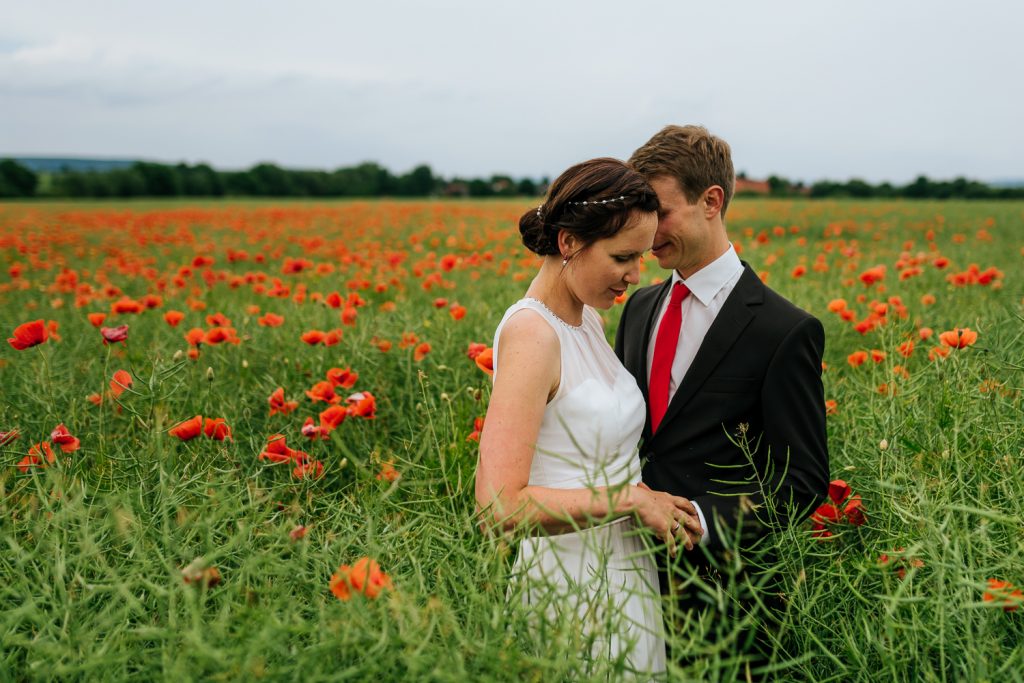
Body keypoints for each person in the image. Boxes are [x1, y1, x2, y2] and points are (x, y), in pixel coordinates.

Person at [475, 157, 702, 677]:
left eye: (642, 256)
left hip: (625, 570)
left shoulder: (588, 322)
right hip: (569, 583)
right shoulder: (534, 334)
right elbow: (498, 507)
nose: (636, 276)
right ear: (569, 243)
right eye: (623, 256)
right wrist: (627, 500)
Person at [615, 125, 829, 593]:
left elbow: (804, 481)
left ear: (711, 201)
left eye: (661, 212)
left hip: (723, 586)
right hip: (623, 566)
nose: (647, 232)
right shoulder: (638, 308)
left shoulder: (783, 330)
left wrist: (703, 522)